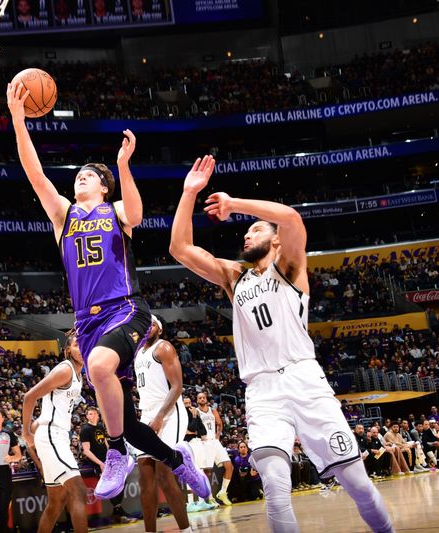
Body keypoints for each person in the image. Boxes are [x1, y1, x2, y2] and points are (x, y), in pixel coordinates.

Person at [169, 154, 395, 533]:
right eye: (246, 232)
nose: (246, 235)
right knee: (275, 487)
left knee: (357, 483)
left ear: (274, 241)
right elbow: (180, 248)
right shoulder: (234, 276)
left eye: (254, 230)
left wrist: (234, 204)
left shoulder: (289, 267)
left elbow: (290, 218)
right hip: (262, 390)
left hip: (305, 380)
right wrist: (189, 193)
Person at [6, 81, 208, 501]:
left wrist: (123, 164)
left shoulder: (114, 211)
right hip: (87, 320)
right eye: (77, 176)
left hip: (126, 308)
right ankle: (176, 460)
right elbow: (34, 173)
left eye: (88, 176)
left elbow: (136, 211)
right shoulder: (63, 214)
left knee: (98, 370)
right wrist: (17, 119)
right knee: (126, 418)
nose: (79, 179)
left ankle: (116, 453)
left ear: (102, 186)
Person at [21, 332, 87, 533]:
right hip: (52, 435)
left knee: (56, 502)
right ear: (68, 350)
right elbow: (29, 396)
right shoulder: (65, 369)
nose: (82, 347)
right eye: (77, 344)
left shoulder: (79, 374)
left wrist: (36, 426)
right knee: (79, 490)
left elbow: (49, 406)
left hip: (55, 435)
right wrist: (26, 432)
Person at [132, 315, 192, 533]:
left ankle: (186, 530)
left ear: (160, 328)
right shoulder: (138, 353)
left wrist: (159, 417)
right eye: (145, 323)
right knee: (145, 480)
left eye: (153, 323)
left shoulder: (163, 347)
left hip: (169, 413)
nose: (148, 326)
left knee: (165, 476)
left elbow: (177, 387)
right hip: (146, 414)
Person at [194, 392, 233, 509]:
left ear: (206, 399)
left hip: (215, 441)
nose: (202, 399)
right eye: (199, 398)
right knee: (207, 471)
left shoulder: (213, 410)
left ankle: (222, 492)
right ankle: (210, 498)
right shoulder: (196, 411)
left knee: (229, 466)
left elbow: (220, 423)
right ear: (197, 400)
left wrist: (218, 435)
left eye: (203, 397)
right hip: (204, 442)